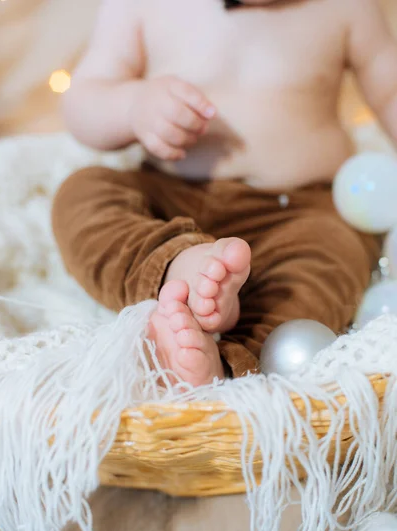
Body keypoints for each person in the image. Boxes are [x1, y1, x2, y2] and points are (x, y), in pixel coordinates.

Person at [53, 0, 397, 386]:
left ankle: (229, 362)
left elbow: (390, 93)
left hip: (303, 211)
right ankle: (171, 268)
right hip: (170, 198)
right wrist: (133, 105)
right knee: (81, 193)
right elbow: (83, 101)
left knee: (332, 259)